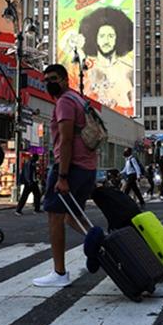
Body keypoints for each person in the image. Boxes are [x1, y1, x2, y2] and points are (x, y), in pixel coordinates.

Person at [33, 64, 99, 288]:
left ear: (63, 79)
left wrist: (62, 176)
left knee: (54, 216)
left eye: (52, 78)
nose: (49, 83)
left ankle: (59, 273)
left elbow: (67, 139)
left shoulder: (64, 102)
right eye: (45, 80)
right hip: (87, 168)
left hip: (70, 168)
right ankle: (101, 243)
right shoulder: (79, 99)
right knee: (72, 217)